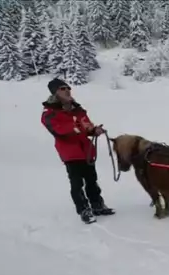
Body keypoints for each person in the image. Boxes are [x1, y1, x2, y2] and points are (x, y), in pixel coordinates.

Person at [41, 78, 115, 224]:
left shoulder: (78, 110)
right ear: (55, 92)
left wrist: (95, 130)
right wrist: (75, 127)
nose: (67, 90)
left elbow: (87, 126)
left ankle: (97, 204)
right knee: (76, 184)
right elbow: (57, 130)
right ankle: (83, 210)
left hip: (86, 152)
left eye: (68, 88)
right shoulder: (50, 113)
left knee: (92, 181)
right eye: (62, 88)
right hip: (70, 154)